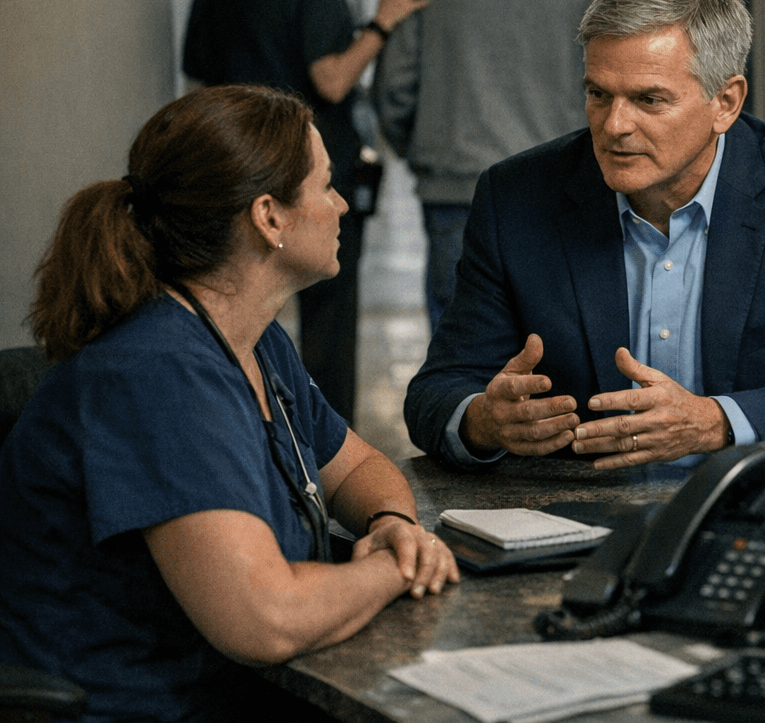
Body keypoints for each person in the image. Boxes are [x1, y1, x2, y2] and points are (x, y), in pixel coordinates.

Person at [0, 85, 458, 721]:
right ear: (268, 217)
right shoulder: (155, 374)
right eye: (326, 186)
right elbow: (263, 621)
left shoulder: (254, 339)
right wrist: (394, 571)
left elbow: (355, 468)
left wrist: (393, 527)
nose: (342, 205)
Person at [404, 0, 765, 469]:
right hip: (580, 515)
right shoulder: (517, 197)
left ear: (726, 103)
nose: (614, 126)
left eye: (649, 100)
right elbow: (437, 393)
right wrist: (483, 422)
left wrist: (716, 421)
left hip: (754, 509)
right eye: (598, 94)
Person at [183, 0, 430, 422]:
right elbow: (334, 80)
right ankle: (325, 443)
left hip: (235, 176)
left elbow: (202, 88)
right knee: (328, 316)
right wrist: (383, 21)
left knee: (235, 307)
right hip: (307, 177)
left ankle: (235, 425)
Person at [373, 0, 608, 331]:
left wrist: (420, 149)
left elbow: (395, 84)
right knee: (558, 331)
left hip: (456, 183)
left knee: (460, 334)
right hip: (560, 182)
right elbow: (612, 85)